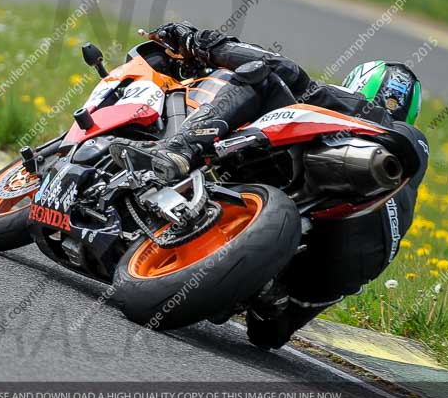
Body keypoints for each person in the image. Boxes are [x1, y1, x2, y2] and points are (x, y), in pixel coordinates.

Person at [110, 22, 430, 348]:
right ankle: (269, 295)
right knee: (269, 334)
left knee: (261, 77)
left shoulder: (352, 108)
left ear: (357, 84)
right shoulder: (407, 183)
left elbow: (278, 67)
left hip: (329, 221)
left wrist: (202, 41)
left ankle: (181, 149)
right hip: (346, 270)